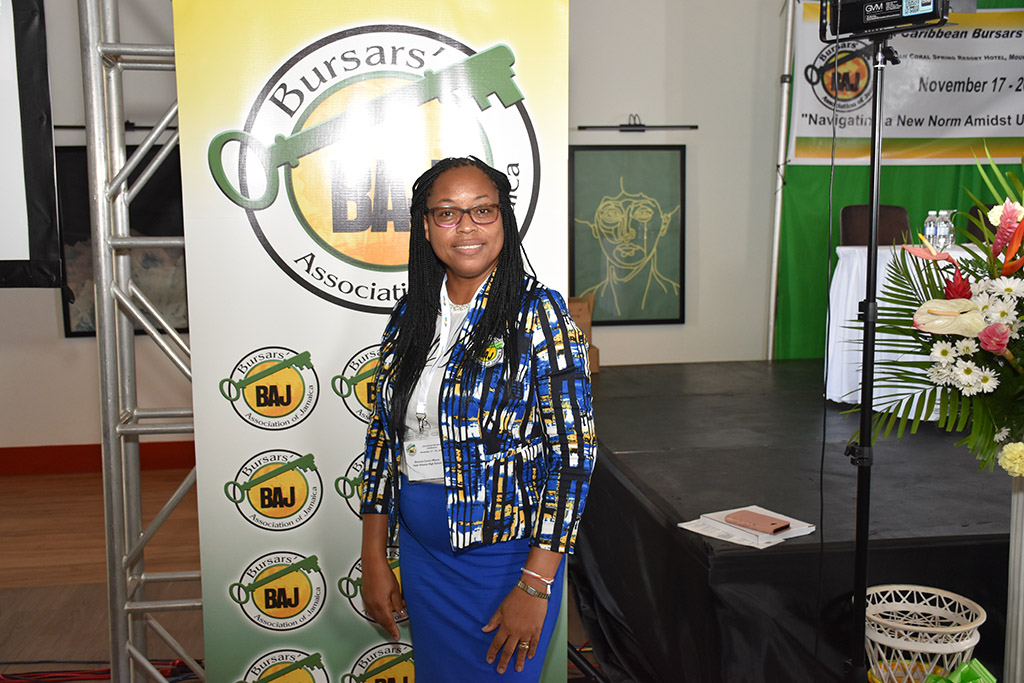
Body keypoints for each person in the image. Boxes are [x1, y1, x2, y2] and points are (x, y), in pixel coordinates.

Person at [359, 156, 596, 679]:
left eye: (482, 210)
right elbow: (382, 442)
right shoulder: (410, 316)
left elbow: (573, 457)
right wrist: (373, 555)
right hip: (422, 556)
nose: (466, 227)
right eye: (447, 213)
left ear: (503, 220)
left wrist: (536, 584)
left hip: (506, 564)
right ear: (426, 227)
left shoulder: (539, 314)